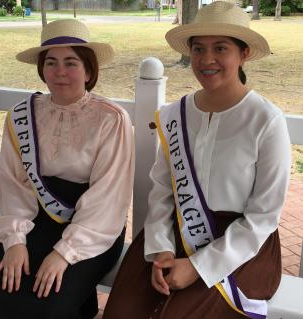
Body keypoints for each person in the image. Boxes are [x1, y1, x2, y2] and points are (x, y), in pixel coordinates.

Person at [103, 2, 291, 318]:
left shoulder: (265, 120)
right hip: (173, 232)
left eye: (221, 48)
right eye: (198, 49)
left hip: (243, 246)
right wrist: (162, 249)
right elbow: (163, 191)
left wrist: (197, 266)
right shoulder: (175, 114)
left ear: (243, 54)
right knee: (124, 311)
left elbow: (263, 216)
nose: (207, 59)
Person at [0, 19, 134, 319]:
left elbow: (108, 199)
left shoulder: (111, 120)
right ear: (42, 69)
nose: (60, 72)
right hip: (32, 220)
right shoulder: (22, 115)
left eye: (71, 62)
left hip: (94, 229)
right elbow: (13, 184)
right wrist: (14, 241)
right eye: (51, 62)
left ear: (89, 70)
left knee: (47, 305)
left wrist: (64, 254)